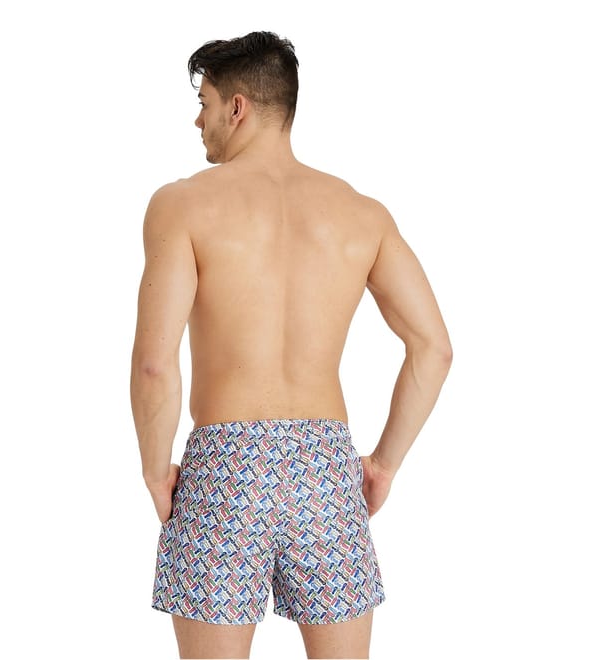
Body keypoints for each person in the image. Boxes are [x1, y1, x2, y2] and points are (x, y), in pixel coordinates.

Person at [130, 30, 453, 660]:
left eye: (203, 103)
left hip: (224, 466)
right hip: (326, 467)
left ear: (238, 107)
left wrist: (155, 468)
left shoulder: (182, 205)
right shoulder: (362, 213)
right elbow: (433, 348)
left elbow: (153, 366)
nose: (198, 121)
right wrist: (382, 466)